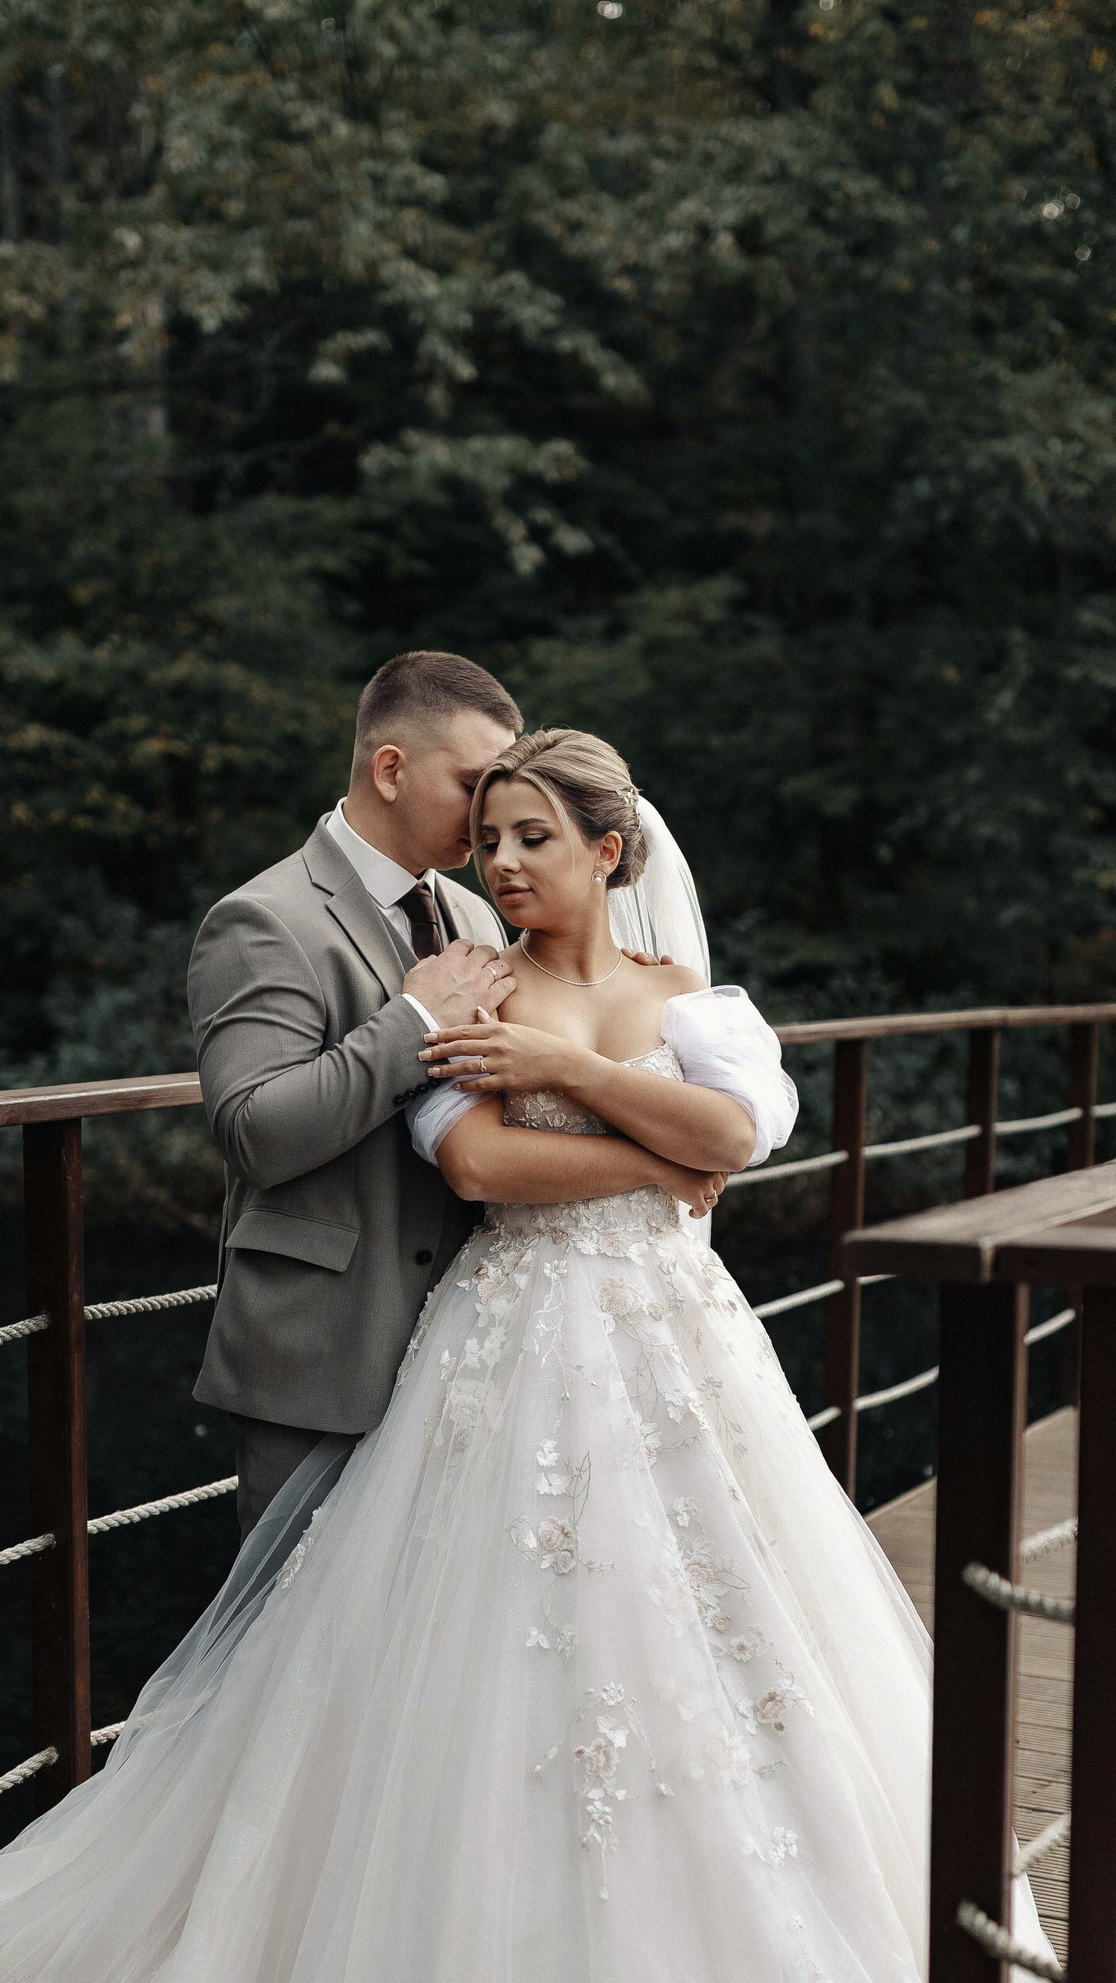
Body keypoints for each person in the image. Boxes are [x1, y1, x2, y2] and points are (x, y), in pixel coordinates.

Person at [0, 724, 1063, 1983]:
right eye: (490, 838)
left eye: (534, 836)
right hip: (508, 1346)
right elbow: (483, 1167)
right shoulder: (465, 987)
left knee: (727, 1660)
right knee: (481, 1680)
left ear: (611, 850)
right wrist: (654, 1153)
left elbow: (740, 1132)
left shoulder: (695, 1001)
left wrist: (575, 1074)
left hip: (680, 1360)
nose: (502, 864)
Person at [185, 648, 722, 1536]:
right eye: (472, 786)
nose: (486, 822)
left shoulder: (478, 915)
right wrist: (413, 1020)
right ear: (391, 770)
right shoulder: (263, 920)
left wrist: (623, 992)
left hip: (480, 1350)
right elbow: (257, 1135)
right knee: (292, 1612)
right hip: (328, 1349)